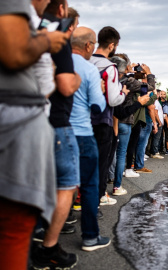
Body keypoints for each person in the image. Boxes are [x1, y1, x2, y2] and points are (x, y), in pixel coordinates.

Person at [0, 0, 68, 269]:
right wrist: (46, 41)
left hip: (20, 124)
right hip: (14, 129)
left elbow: (43, 86)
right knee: (13, 231)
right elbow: (14, 52)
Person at [31, 0, 82, 269]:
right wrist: (77, 78)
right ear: (61, 10)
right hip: (56, 122)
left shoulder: (26, 29)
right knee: (67, 184)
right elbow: (64, 84)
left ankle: (31, 240)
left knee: (33, 186)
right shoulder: (57, 35)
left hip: (29, 123)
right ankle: (48, 247)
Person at [69, 26, 112, 250]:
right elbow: (98, 105)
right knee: (89, 185)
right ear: (87, 45)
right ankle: (90, 236)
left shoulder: (55, 63)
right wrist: (101, 88)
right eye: (93, 44)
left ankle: (52, 231)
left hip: (54, 132)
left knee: (60, 184)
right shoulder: (88, 69)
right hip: (82, 134)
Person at [90, 26, 128, 203]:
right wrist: (123, 93)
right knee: (100, 164)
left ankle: (77, 201)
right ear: (112, 45)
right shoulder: (110, 67)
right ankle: (96, 201)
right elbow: (113, 99)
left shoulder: (85, 61)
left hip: (82, 118)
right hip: (102, 119)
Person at [111, 55, 150, 195]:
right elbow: (148, 89)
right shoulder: (129, 81)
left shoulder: (112, 79)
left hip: (112, 118)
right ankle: (117, 186)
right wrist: (149, 73)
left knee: (110, 153)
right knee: (121, 153)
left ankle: (108, 180)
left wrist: (129, 70)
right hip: (125, 120)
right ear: (127, 67)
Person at [150, 89, 164, 159]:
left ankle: (154, 151)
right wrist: (159, 122)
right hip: (157, 123)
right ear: (158, 94)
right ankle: (155, 152)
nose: (161, 95)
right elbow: (155, 113)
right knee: (156, 138)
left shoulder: (157, 102)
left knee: (156, 138)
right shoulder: (155, 102)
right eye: (160, 94)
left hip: (157, 123)